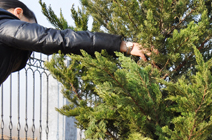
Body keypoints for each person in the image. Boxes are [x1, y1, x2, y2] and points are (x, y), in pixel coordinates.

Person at [0, 0, 148, 85]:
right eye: (30, 25)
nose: (28, 49)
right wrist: (123, 46)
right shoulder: (5, 24)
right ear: (18, 13)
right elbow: (54, 39)